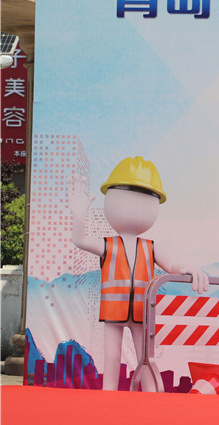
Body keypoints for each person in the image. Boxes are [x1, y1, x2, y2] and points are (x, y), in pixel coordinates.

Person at [69, 156, 209, 391]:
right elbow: (80, 240)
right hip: (114, 313)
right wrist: (79, 215)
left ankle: (150, 398)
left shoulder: (150, 247)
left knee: (146, 359)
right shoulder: (108, 244)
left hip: (142, 312)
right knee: (112, 359)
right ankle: (109, 398)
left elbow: (172, 264)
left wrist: (187, 269)